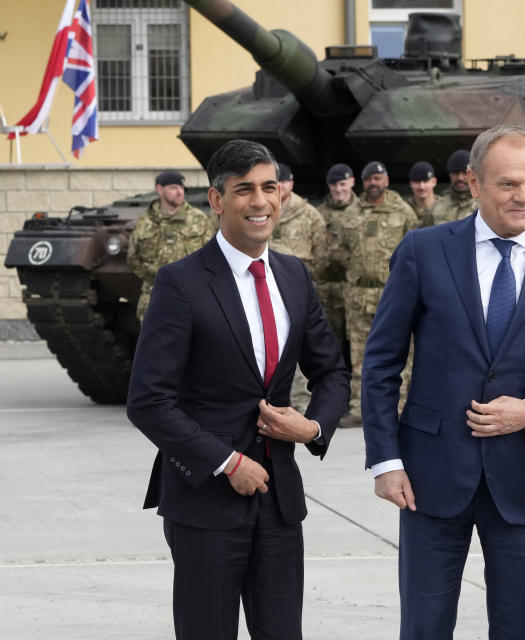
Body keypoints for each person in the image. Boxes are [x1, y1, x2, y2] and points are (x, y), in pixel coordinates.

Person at [362, 124, 525, 639]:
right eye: (508, 184)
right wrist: (386, 461)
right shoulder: (423, 251)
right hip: (428, 478)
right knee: (424, 627)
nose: (524, 197)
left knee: (518, 628)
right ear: (474, 183)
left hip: (523, 476)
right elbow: (381, 362)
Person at [126, 140, 350, 640]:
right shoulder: (180, 283)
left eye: (269, 187)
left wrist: (312, 426)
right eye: (244, 189)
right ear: (216, 199)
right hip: (206, 500)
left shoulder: (293, 276)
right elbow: (148, 401)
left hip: (280, 501)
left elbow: (332, 373)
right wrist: (227, 462)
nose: (260, 201)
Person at [339, 161, 420, 427]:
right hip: (358, 295)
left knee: (400, 352)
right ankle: (359, 408)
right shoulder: (351, 213)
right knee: (359, 355)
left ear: (386, 180)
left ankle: (400, 405)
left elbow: (414, 253)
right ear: (363, 182)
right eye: (369, 179)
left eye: (379, 177)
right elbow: (341, 251)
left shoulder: (404, 212)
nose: (374, 182)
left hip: (391, 294)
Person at [270, 162, 330, 412]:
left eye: (284, 181)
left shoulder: (309, 214)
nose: (280, 186)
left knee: (300, 346)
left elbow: (322, 255)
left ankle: (303, 404)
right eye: (276, 182)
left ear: (292, 184)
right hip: (261, 288)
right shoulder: (262, 209)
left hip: (296, 291)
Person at [127, 170, 212, 321]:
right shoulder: (145, 222)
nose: (179, 192)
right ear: (160, 189)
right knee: (155, 343)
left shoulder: (199, 219)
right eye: (173, 188)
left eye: (181, 188)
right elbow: (133, 258)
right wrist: (154, 276)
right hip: (155, 298)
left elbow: (211, 256)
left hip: (193, 297)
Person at [433, 149, 525, 232]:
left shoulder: (490, 203)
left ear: (472, 175)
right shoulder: (436, 207)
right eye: (455, 173)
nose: (460, 178)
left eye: (463, 173)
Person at [317, 163, 361, 403]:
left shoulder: (363, 210)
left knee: (358, 347)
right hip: (328, 289)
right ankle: (334, 399)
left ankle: (358, 400)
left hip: (356, 289)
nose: (338, 189)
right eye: (334, 185)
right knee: (330, 348)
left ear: (352, 182)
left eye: (342, 184)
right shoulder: (320, 214)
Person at [406, 160, 438, 226]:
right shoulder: (403, 209)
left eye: (425, 181)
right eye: (417, 182)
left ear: (434, 182)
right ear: (410, 183)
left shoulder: (446, 206)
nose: (421, 187)